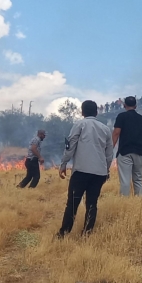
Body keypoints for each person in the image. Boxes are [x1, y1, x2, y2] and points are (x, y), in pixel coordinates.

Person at [57, 100, 113, 237]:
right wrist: (106, 170)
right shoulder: (105, 129)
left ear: (82, 112)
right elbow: (109, 154)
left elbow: (70, 147)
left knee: (73, 203)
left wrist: (63, 164)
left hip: (81, 171)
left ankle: (63, 233)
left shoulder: (80, 124)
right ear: (96, 112)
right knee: (92, 203)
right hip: (99, 173)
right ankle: (87, 233)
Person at [112, 96, 142, 197]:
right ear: (136, 106)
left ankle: (125, 204)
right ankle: (139, 204)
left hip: (125, 152)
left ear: (124, 105)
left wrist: (110, 148)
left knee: (125, 181)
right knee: (138, 180)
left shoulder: (121, 116)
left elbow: (116, 133)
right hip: (140, 152)